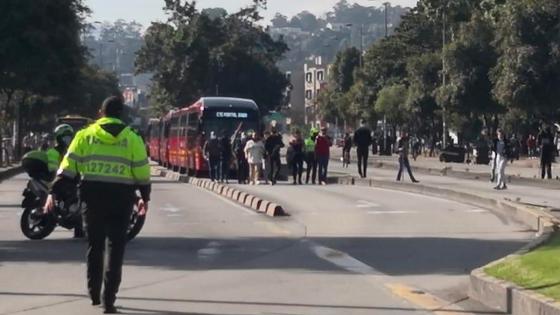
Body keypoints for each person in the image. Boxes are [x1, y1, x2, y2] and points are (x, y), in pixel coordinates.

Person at [44, 96, 151, 313]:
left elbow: (68, 167)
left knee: (95, 245)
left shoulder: (85, 135)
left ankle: (94, 292)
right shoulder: (132, 138)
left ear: (101, 113)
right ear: (121, 115)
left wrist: (53, 192)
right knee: (116, 248)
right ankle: (108, 299)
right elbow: (141, 170)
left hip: (92, 198)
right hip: (121, 198)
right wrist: (144, 197)